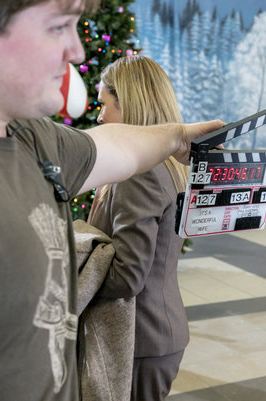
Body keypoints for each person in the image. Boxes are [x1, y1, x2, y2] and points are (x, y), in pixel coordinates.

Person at [0, 1, 223, 400]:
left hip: (147, 338)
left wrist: (176, 136)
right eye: (58, 26)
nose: (76, 51)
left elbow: (110, 146)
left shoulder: (34, 138)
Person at [86, 55, 189, 401]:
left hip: (141, 339)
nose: (100, 117)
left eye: (105, 105)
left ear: (129, 104)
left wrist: (75, 277)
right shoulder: (163, 163)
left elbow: (128, 275)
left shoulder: (139, 172)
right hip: (152, 333)